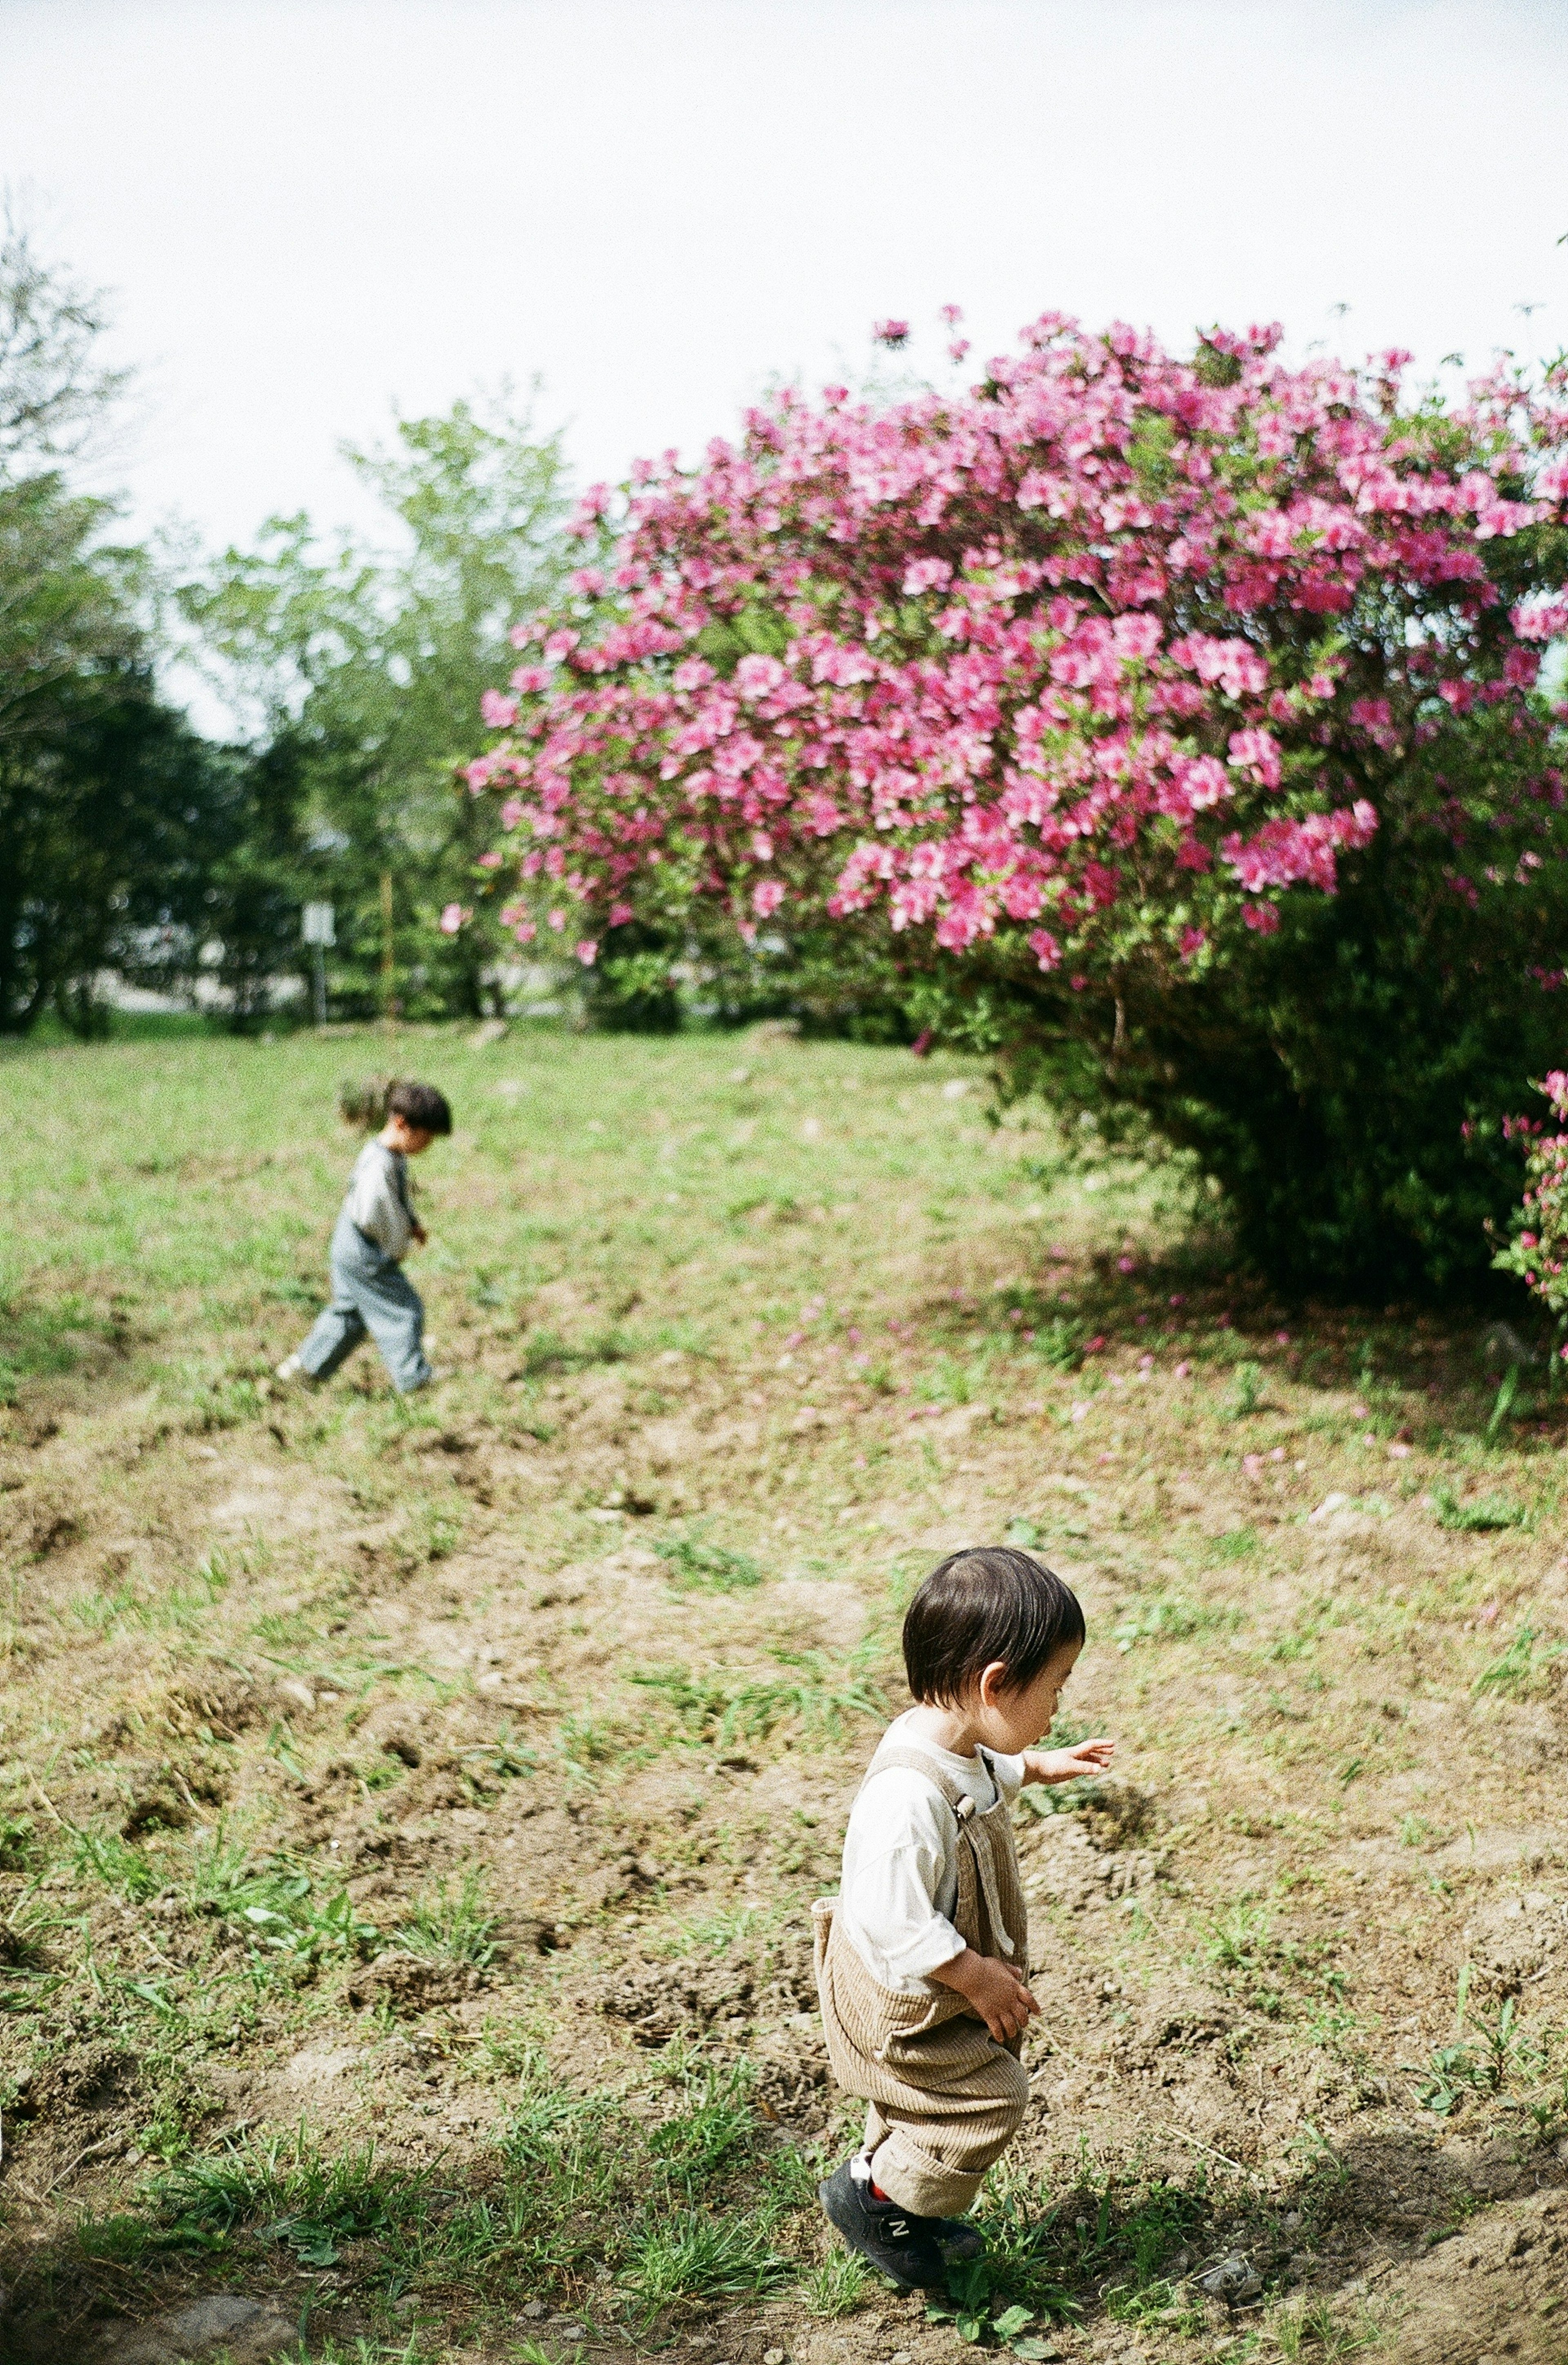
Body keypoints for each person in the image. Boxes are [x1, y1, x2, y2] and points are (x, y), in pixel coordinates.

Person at [814, 1545, 1115, 2290]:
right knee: (987, 2098)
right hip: (907, 1998)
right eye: (1055, 1688)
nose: (1058, 1708)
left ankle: (899, 2196)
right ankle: (875, 2198)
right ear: (995, 1685)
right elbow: (891, 1917)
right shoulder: (905, 1800)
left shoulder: (954, 1738)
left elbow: (981, 1766)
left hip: (927, 1981)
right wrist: (975, 1975)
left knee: (927, 2101)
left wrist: (1037, 1764)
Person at [277, 1080, 452, 1395]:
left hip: (347, 1245)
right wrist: (398, 1244)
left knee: (351, 1314)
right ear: (402, 1124)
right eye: (426, 1138)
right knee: (404, 1309)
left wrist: (412, 1223)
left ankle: (303, 1370)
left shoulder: (390, 1156)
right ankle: (414, 1379)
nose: (428, 1146)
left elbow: (397, 1202)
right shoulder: (379, 1165)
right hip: (365, 1250)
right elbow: (374, 1213)